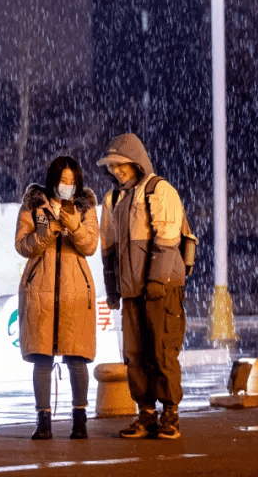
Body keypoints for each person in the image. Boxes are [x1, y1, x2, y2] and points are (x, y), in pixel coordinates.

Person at [96, 133, 188, 440]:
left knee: (162, 352)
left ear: (136, 162)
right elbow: (108, 249)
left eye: (121, 164)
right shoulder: (112, 199)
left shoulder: (159, 191)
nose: (116, 171)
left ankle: (171, 415)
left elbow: (167, 239)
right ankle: (146, 414)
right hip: (131, 291)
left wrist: (155, 280)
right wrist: (112, 289)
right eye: (111, 166)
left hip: (161, 288)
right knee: (134, 354)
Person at [14, 155, 99, 440]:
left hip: (76, 291)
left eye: (72, 181)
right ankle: (43, 421)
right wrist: (49, 229)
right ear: (53, 180)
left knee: (77, 358)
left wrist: (74, 225)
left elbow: (90, 245)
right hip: (41, 290)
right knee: (42, 358)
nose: (68, 186)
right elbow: (23, 246)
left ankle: (80, 419)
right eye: (63, 181)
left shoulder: (85, 206)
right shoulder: (33, 204)